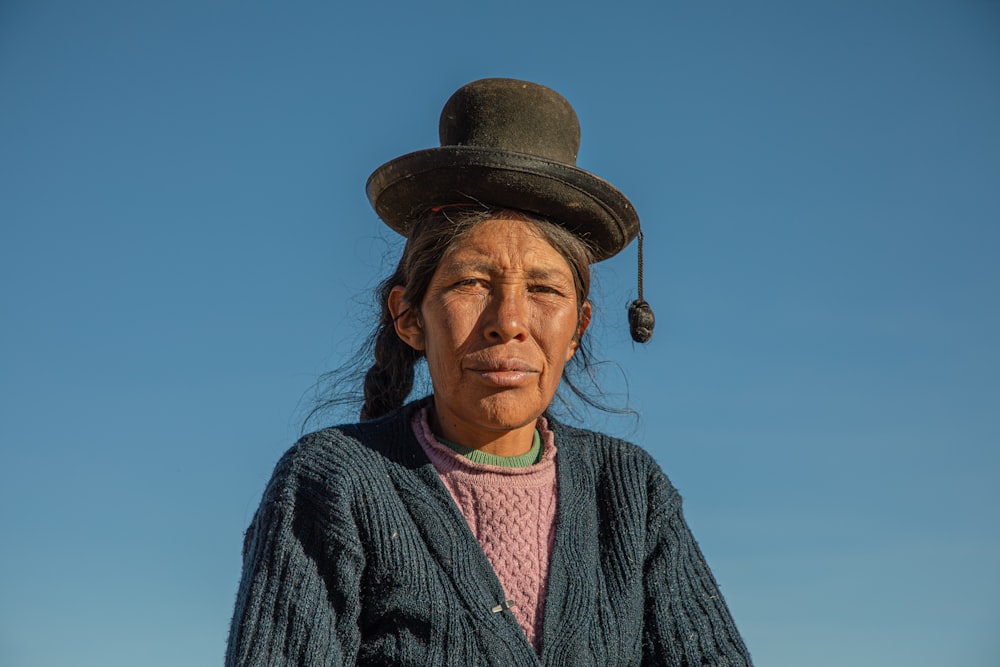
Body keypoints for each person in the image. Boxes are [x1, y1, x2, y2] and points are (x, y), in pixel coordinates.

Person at [226, 78, 752, 666]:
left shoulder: (629, 491)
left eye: (543, 289)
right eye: (471, 284)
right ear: (407, 316)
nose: (509, 322)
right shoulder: (333, 483)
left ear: (577, 328)